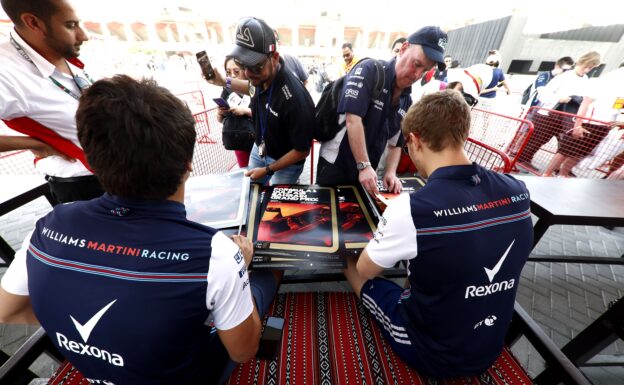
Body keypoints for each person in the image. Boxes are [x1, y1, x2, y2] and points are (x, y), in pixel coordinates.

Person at [0, 75, 280, 385]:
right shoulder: (217, 254)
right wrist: (241, 265)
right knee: (264, 276)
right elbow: (242, 352)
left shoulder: (49, 225)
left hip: (97, 371)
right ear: (188, 164)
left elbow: (8, 310)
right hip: (188, 375)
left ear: (92, 161)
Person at [343, 89, 533, 378]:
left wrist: (382, 234)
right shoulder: (518, 189)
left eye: (406, 147)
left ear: (415, 140)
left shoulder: (411, 208)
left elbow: (366, 268)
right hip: (491, 343)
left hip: (434, 354)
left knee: (351, 265)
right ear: (463, 134)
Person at [316, 26, 448, 196]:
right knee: (328, 217)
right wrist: (364, 165)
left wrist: (390, 172)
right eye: (417, 64)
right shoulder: (370, 69)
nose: (417, 75)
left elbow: (395, 144)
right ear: (404, 48)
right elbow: (352, 119)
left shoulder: (407, 101)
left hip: (366, 174)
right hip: (336, 166)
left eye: (425, 71)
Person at [0, 0, 103, 203]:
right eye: (71, 25)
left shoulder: (53, 49)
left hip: (126, 173)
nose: (84, 36)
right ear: (34, 23)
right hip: (89, 189)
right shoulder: (5, 71)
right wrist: (35, 144)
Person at [226, 17, 314, 185]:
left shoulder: (295, 99)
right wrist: (223, 81)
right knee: (251, 193)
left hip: (285, 165)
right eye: (243, 65)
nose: (249, 73)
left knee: (273, 207)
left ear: (274, 57)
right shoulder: (261, 78)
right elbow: (250, 88)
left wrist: (268, 169)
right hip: (259, 150)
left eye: (255, 66)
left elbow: (302, 151)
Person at [517, 51, 601, 169]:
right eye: (586, 66)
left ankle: (557, 168)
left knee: (564, 142)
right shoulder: (564, 77)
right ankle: (523, 160)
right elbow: (543, 94)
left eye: (591, 67)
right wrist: (559, 99)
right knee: (538, 139)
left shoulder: (585, 79)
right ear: (581, 62)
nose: (587, 70)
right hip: (547, 113)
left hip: (566, 116)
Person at [543, 62, 624, 177]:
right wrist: (578, 124)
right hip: (588, 123)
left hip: (604, 126)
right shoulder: (605, 81)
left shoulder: (619, 89)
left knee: (581, 153)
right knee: (566, 150)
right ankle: (547, 174)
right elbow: (585, 103)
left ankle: (563, 174)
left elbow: (617, 105)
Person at [217, 56, 253, 168]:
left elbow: (267, 114)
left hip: (257, 143)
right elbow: (220, 119)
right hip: (238, 143)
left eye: (236, 71)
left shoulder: (256, 88)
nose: (232, 75)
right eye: (228, 72)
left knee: (260, 178)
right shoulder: (226, 90)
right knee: (245, 175)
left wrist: (245, 111)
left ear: (246, 70)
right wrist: (220, 113)